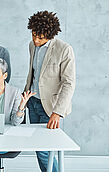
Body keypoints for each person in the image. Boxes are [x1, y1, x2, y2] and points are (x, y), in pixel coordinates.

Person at [24, 11, 76, 172]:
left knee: (45, 150)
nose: (36, 39)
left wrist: (58, 112)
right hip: (32, 103)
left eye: (40, 37)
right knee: (39, 148)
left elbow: (68, 83)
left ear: (50, 34)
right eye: (34, 34)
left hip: (51, 107)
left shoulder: (64, 49)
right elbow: (33, 73)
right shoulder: (32, 45)